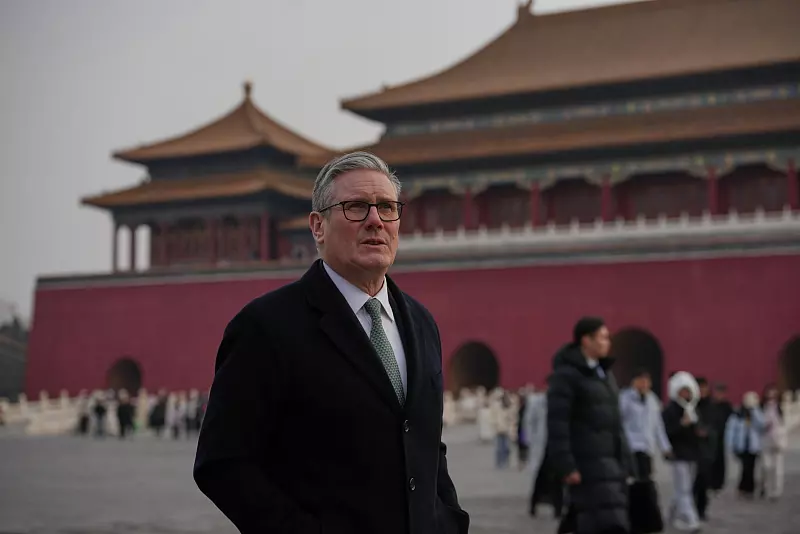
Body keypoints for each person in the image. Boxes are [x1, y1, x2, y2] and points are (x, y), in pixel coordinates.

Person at [193, 151, 469, 534]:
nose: (375, 220)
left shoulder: (421, 322)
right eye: (356, 207)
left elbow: (424, 441)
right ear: (318, 226)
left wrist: (449, 520)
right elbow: (222, 462)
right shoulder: (267, 326)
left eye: (387, 208)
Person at [547, 316, 633, 534]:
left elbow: (616, 424)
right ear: (586, 340)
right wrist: (566, 465)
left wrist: (626, 460)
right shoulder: (566, 376)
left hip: (611, 465)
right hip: (585, 465)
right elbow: (558, 424)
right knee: (595, 522)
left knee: (610, 522)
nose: (607, 343)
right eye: (603, 337)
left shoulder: (605, 375)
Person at [662, 371, 702, 533]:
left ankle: (671, 514)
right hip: (678, 454)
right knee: (684, 488)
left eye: (688, 391)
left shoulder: (692, 408)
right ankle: (691, 519)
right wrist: (682, 425)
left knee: (684, 487)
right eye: (682, 391)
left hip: (692, 454)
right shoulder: (670, 410)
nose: (685, 394)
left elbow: (697, 430)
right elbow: (667, 432)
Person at [725, 391, 765, 499]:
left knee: (751, 468)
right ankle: (744, 488)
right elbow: (731, 430)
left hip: (753, 446)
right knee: (745, 467)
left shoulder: (757, 413)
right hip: (741, 445)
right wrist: (730, 444)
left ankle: (748, 488)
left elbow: (762, 425)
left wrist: (754, 411)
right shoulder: (737, 415)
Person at [692, 377, 716, 522]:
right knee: (692, 481)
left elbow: (716, 426)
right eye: (700, 388)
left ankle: (701, 509)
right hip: (693, 449)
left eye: (704, 388)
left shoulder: (711, 406)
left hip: (707, 449)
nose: (702, 391)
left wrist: (707, 432)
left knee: (704, 481)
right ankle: (690, 509)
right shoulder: (691, 405)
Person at [760, 384, 787, 500]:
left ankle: (777, 491)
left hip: (778, 441)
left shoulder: (781, 409)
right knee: (766, 466)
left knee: (778, 468)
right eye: (769, 397)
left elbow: (784, 426)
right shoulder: (762, 408)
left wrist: (782, 441)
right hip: (765, 440)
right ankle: (766, 487)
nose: (771, 400)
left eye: (773, 397)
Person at [709, 383, 733, 492]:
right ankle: (710, 481)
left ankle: (719, 482)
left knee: (721, 459)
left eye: (721, 393)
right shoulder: (711, 405)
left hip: (723, 436)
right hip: (711, 436)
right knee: (711, 458)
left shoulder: (726, 406)